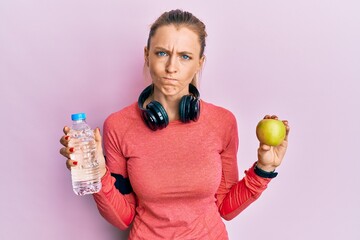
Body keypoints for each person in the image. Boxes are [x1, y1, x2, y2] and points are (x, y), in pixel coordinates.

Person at [60, 9, 290, 240]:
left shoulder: (223, 122)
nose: (172, 67)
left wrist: (264, 168)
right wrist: (98, 174)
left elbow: (226, 208)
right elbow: (123, 218)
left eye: (185, 56)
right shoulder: (118, 126)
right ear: (147, 55)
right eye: (162, 53)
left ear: (200, 63)